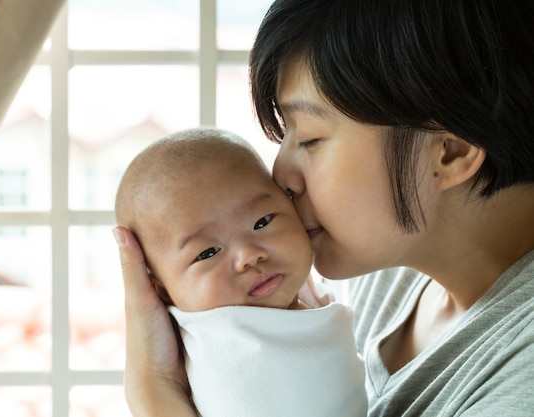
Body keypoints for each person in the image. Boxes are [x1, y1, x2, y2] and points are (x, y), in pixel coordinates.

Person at [113, 0, 534, 416]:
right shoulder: (395, 266)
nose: (282, 177)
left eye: (310, 138)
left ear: (450, 151)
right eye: (285, 135)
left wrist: (155, 393)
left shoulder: (519, 380)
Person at [113, 127, 367, 417]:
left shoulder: (308, 292)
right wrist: (153, 382)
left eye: (262, 222)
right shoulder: (216, 337)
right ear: (160, 289)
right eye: (207, 253)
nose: (249, 255)